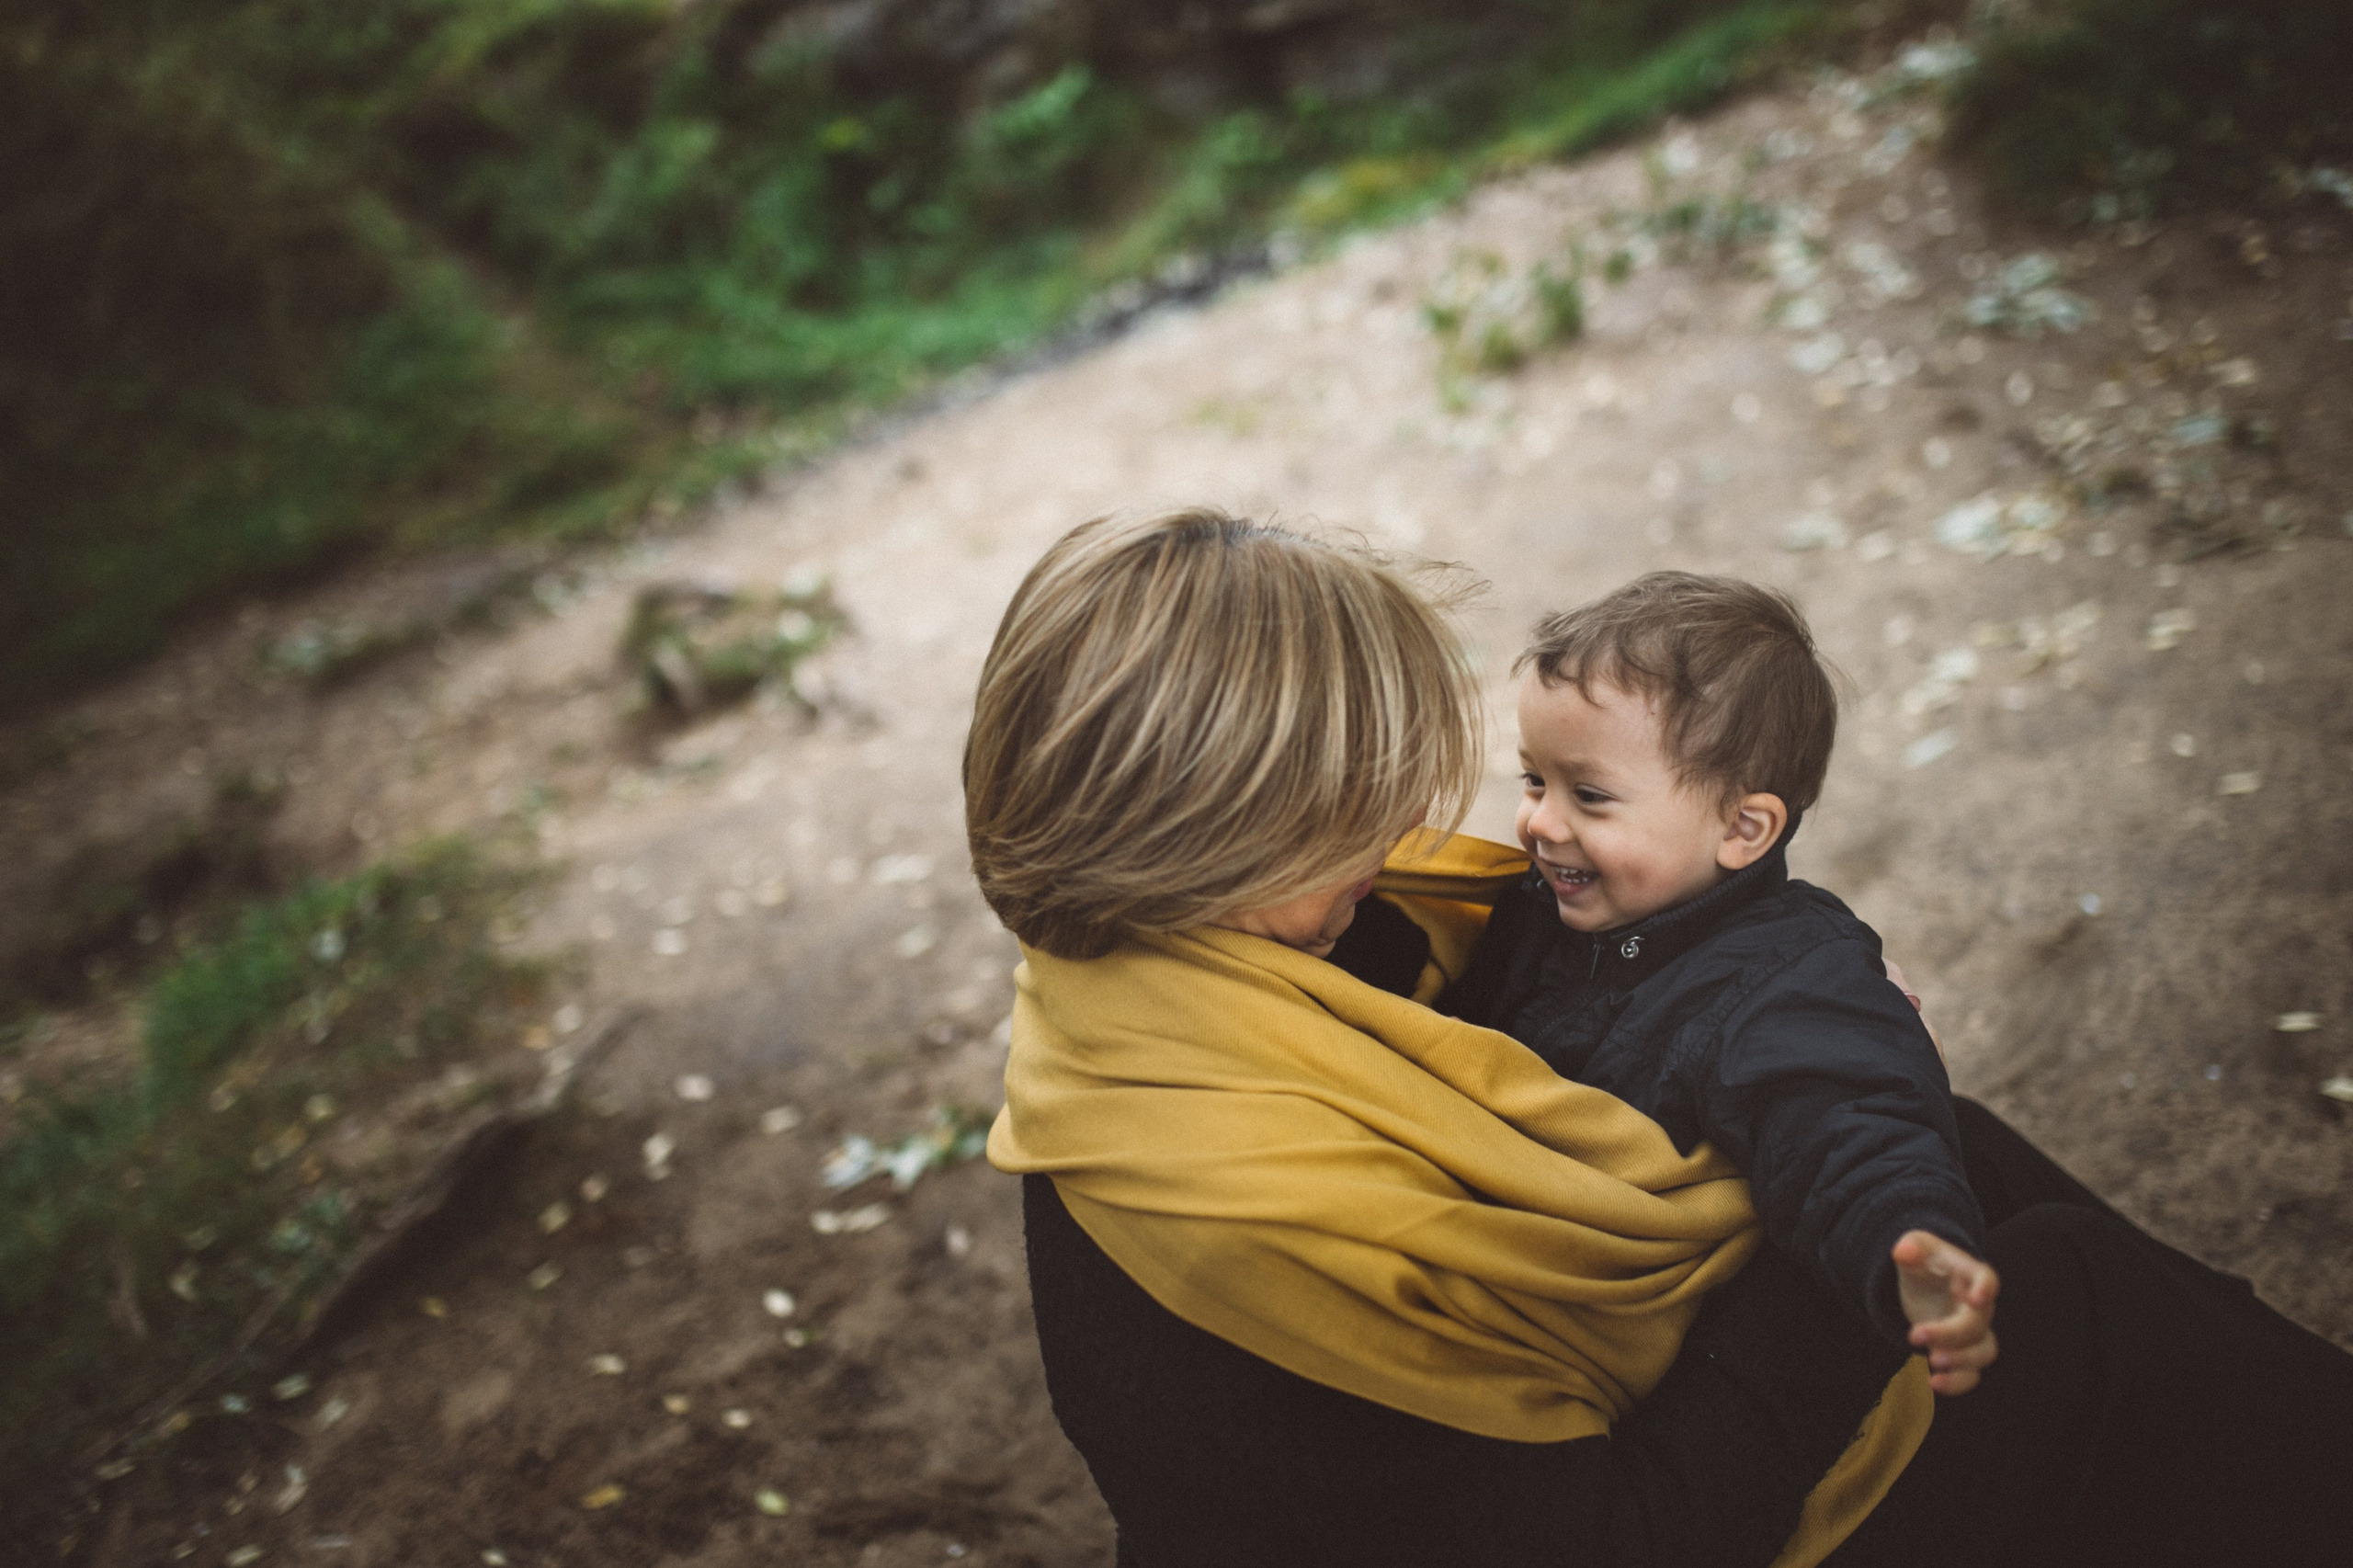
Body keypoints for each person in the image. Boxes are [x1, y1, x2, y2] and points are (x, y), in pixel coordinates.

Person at [971, 507, 2353, 1568]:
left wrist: (1781, 1005)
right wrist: (1815, 1217)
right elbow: (1634, 1531)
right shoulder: (1221, 1247)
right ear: (1205, 838)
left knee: (1927, 1151)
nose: (1395, 837)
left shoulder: (1166, 996)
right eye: (1338, 809)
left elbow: (1533, 952)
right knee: (2067, 1291)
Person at [1430, 573, 1996, 1392]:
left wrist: (1909, 1252)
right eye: (1533, 781)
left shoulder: (1790, 979)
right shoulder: (1540, 911)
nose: (1541, 824)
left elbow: (1852, 1130)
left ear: (1743, 827)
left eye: (1589, 795)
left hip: (1659, 1330)